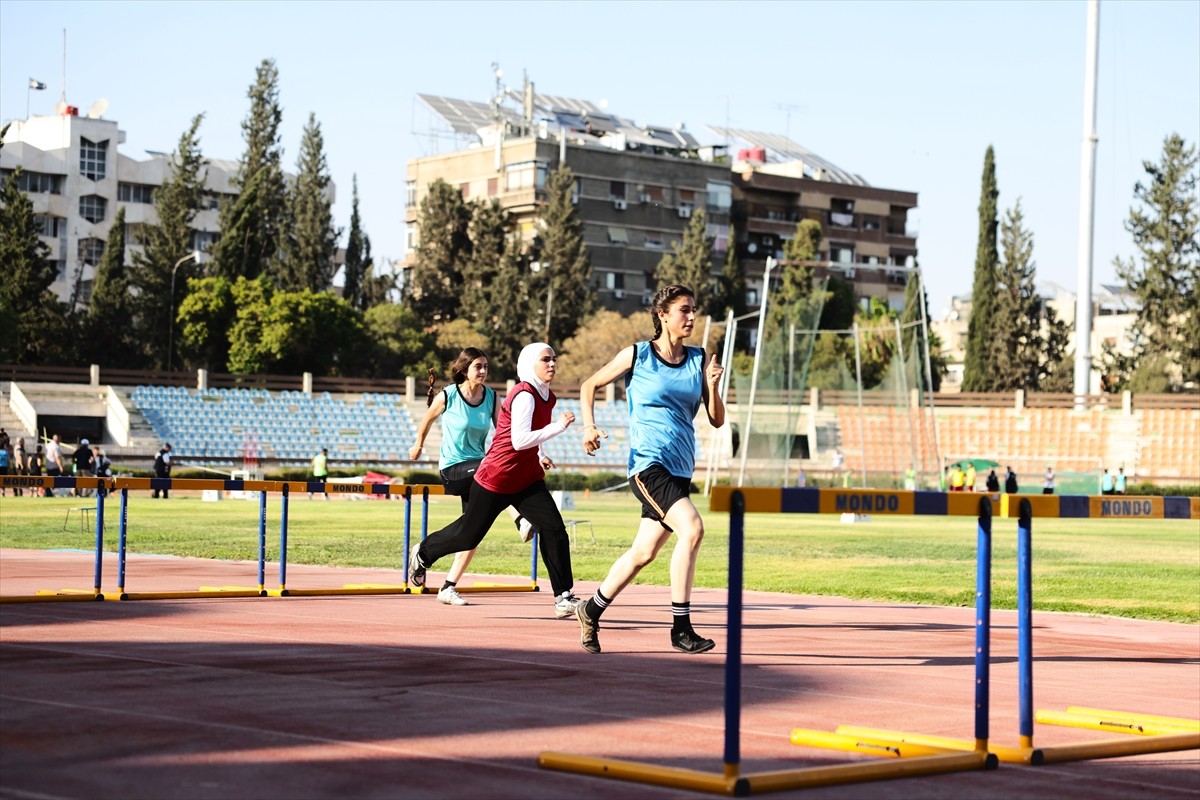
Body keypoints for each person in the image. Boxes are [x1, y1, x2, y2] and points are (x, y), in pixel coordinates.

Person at [576, 284, 726, 655]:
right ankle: (680, 627)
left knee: (643, 553)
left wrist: (712, 385)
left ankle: (591, 609)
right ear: (663, 315)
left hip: (680, 469)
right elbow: (588, 384)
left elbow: (717, 420)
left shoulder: (698, 359)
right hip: (648, 465)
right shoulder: (638, 355)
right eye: (684, 310)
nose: (691, 317)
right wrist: (588, 426)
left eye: (693, 310)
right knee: (692, 529)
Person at [408, 342, 583, 619]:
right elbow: (518, 439)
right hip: (497, 477)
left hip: (526, 479)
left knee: (554, 529)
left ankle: (563, 596)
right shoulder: (523, 394)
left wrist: (541, 455)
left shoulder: (547, 396)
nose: (552, 364)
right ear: (529, 365)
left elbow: (530, 435)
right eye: (546, 359)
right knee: (469, 535)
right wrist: (558, 427)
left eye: (554, 359)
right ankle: (424, 553)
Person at [408, 348, 532, 607]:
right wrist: (418, 445)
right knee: (494, 470)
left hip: (481, 471)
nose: (484, 371)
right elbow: (427, 419)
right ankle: (520, 519)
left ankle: (444, 581)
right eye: (478, 366)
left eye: (486, 366)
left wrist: (533, 453)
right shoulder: (449, 395)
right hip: (454, 469)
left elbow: (506, 433)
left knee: (471, 532)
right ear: (465, 369)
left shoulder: (491, 398)